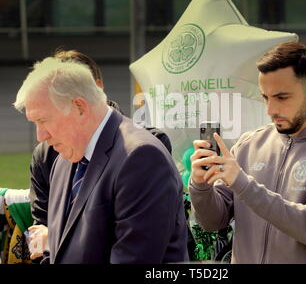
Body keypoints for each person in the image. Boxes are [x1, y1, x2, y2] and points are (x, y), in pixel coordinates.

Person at [189, 41, 306, 263]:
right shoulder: (249, 144)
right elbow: (213, 222)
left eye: (282, 97)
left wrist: (241, 182)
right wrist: (200, 186)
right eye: (265, 97)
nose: (271, 110)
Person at [15, 57, 188, 263]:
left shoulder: (141, 158)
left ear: (79, 107)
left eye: (43, 120)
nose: (40, 136)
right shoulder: (64, 158)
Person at [29, 50, 172, 230]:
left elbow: (140, 236)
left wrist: (53, 241)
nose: (42, 135)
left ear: (96, 89)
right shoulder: (47, 153)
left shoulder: (146, 147)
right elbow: (41, 226)